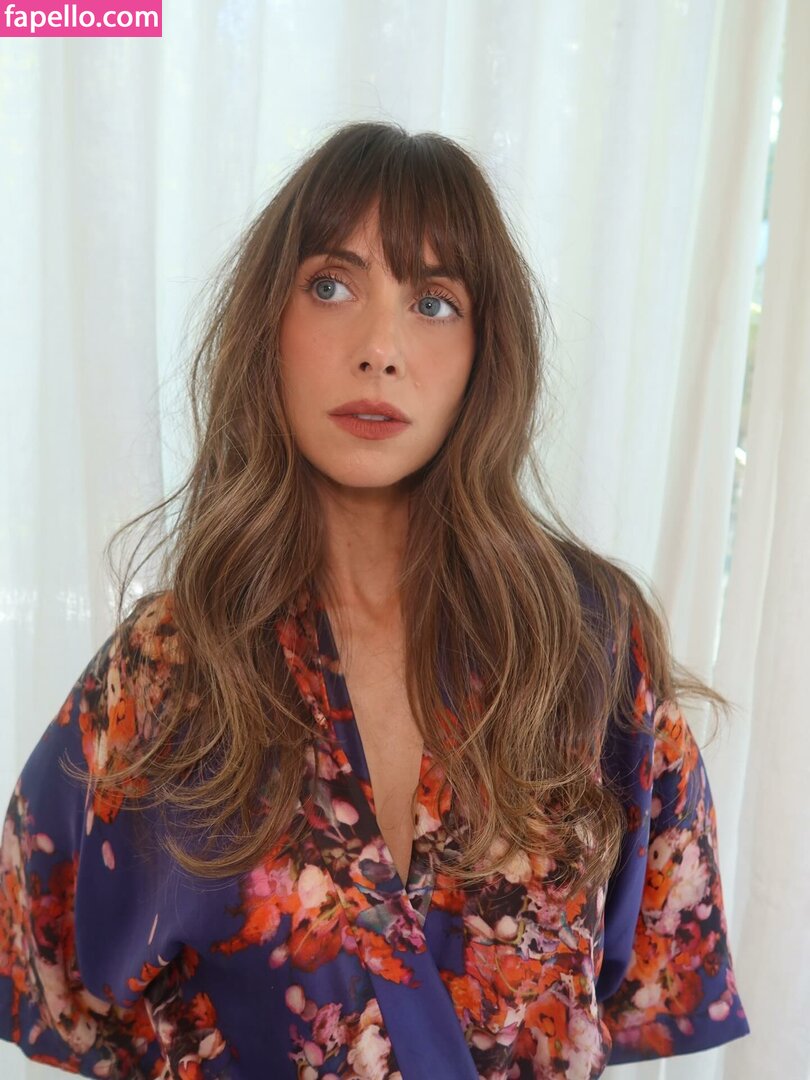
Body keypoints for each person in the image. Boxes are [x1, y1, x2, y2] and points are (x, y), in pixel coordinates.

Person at [0, 121, 750, 1079]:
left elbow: (648, 971)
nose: (380, 349)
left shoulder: (590, 646)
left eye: (434, 302)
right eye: (331, 285)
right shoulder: (169, 666)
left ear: (486, 350)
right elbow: (54, 977)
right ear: (267, 325)